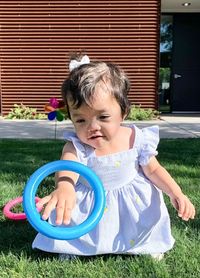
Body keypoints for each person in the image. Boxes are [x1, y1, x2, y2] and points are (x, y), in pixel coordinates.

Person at [32, 55, 195, 260]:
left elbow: (154, 169)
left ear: (123, 112)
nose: (92, 127)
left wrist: (176, 192)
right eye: (80, 119)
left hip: (131, 200)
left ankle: (147, 243)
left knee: (146, 217)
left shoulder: (136, 138)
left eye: (103, 117)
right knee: (68, 212)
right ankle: (72, 245)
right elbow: (68, 168)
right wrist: (65, 187)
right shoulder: (76, 145)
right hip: (89, 202)